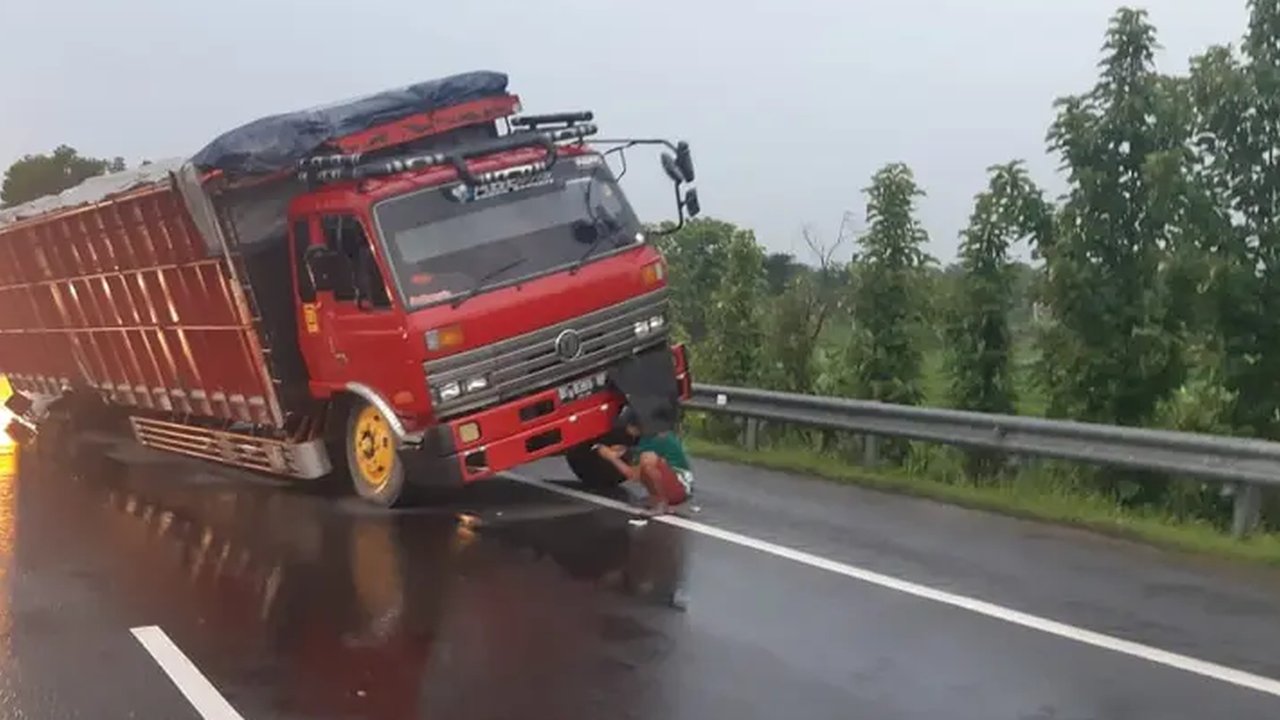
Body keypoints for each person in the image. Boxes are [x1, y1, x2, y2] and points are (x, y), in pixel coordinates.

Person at [594, 405, 694, 515]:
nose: (626, 429)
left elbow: (634, 475)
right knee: (645, 462)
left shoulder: (657, 439)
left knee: (646, 460)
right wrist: (625, 450)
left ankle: (661, 504)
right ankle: (656, 498)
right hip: (676, 482)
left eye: (628, 426)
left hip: (680, 488)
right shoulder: (650, 436)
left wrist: (611, 458)